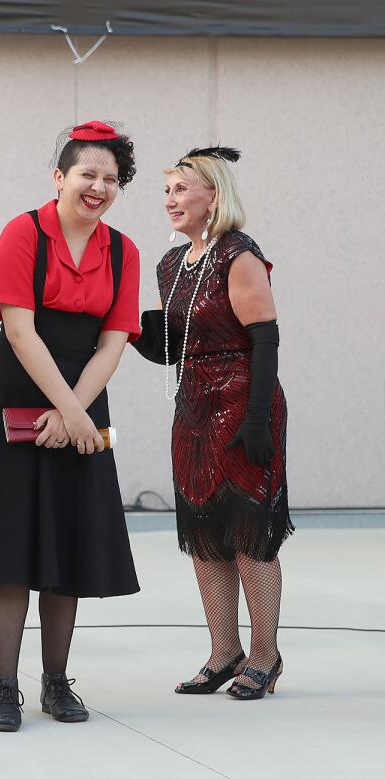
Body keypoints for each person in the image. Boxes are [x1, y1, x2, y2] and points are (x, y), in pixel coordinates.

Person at [0, 121, 141, 732]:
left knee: (66, 539)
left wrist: (75, 412)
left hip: (83, 396)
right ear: (60, 177)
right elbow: (19, 331)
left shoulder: (124, 250)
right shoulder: (22, 232)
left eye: (110, 179)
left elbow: (113, 344)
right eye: (87, 175)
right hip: (16, 392)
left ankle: (56, 681)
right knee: (11, 544)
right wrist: (70, 413)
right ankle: (3, 686)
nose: (97, 187)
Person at [131, 146, 290, 700]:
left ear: (213, 196)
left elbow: (265, 337)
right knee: (203, 533)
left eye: (181, 189)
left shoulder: (239, 255)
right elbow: (174, 347)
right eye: (167, 191)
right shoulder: (171, 266)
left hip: (245, 401)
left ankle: (265, 657)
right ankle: (225, 653)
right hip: (192, 407)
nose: (171, 200)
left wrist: (256, 420)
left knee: (250, 533)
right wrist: (122, 326)